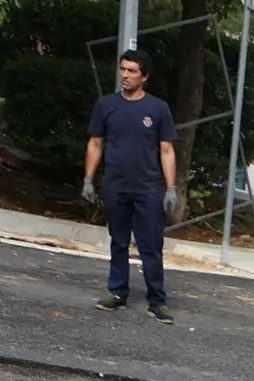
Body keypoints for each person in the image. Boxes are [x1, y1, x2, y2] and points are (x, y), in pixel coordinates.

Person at [84, 49, 178, 325]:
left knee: (150, 245)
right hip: (115, 186)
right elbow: (95, 143)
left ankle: (157, 301)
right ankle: (117, 292)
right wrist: (88, 179)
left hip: (148, 188)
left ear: (144, 76)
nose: (125, 75)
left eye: (132, 71)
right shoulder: (106, 105)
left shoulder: (158, 109)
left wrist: (170, 188)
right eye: (123, 69)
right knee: (119, 241)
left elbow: (167, 149)